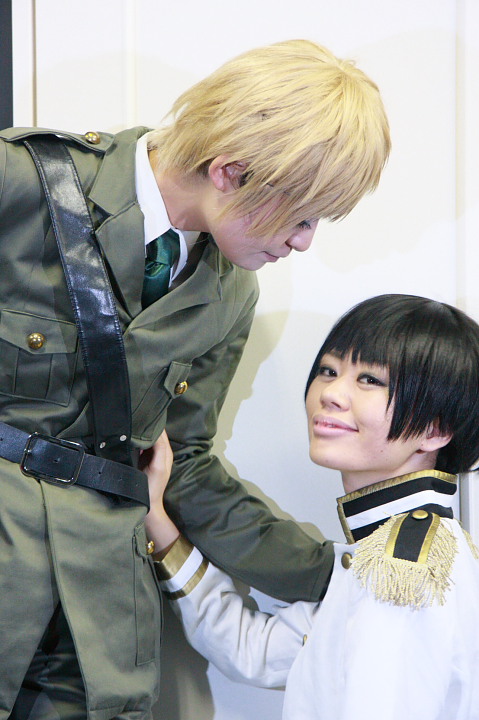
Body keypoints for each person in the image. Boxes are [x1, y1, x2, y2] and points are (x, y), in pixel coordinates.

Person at [0, 40, 390, 718]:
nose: (304, 241)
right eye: (301, 215)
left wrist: (340, 574)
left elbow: (181, 464)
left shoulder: (229, 292)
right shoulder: (22, 182)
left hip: (94, 632)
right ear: (230, 172)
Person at [145, 294, 479, 720]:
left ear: (435, 429)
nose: (331, 394)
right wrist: (155, 516)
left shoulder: (405, 570)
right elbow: (256, 652)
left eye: (370, 380)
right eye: (329, 371)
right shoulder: (383, 553)